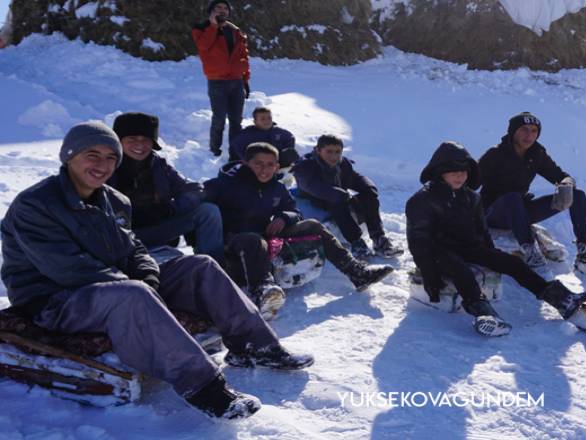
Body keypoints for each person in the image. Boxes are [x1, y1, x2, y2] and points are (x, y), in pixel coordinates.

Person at [0, 122, 314, 419]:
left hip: (107, 287)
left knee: (199, 266)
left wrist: (148, 275)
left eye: (111, 158)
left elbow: (133, 248)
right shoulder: (36, 205)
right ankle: (204, 387)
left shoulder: (114, 201)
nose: (102, 164)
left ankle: (255, 345)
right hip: (52, 301)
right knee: (132, 294)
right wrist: (138, 286)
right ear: (69, 157)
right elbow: (66, 268)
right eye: (91, 155)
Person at [406, 142, 586, 337]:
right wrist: (429, 276)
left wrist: (492, 257)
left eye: (463, 172)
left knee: (512, 262)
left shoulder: (472, 198)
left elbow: (482, 232)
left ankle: (562, 299)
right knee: (461, 271)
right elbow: (418, 243)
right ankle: (485, 315)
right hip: (436, 251)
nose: (459, 176)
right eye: (453, 171)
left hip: (466, 246)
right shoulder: (421, 200)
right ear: (439, 172)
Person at [205, 142, 393, 318]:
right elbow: (199, 205)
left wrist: (284, 217)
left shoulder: (276, 187)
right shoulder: (225, 184)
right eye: (258, 164)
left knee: (312, 225)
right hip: (234, 241)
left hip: (265, 233)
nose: (264, 169)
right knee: (253, 240)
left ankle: (356, 272)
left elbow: (293, 210)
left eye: (270, 164)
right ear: (246, 163)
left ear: (277, 166)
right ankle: (263, 290)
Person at [478, 112, 586, 279]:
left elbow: (561, 176)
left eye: (533, 130)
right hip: (493, 214)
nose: (529, 135)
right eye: (524, 129)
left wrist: (566, 185)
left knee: (577, 195)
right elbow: (469, 183)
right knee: (513, 198)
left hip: (520, 212)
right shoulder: (495, 154)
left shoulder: (536, 154)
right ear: (513, 131)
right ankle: (532, 255)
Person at [108, 112, 224, 263]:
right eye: (132, 139)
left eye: (146, 139)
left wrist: (170, 209)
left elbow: (194, 189)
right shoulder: (106, 165)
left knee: (208, 211)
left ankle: (214, 268)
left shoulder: (158, 165)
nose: (140, 145)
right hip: (120, 235)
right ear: (119, 141)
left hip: (157, 229)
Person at [293, 135, 403, 258]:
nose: (334, 156)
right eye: (329, 152)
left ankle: (378, 238)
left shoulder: (342, 164)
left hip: (340, 197)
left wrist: (368, 186)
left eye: (337, 152)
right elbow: (311, 185)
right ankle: (356, 242)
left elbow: (354, 178)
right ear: (318, 150)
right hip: (316, 201)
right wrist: (337, 193)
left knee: (369, 197)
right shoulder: (305, 166)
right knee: (337, 202)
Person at [191, 0, 250, 157]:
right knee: (219, 119)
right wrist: (213, 26)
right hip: (217, 81)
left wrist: (245, 79)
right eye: (218, 7)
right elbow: (203, 47)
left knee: (236, 120)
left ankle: (235, 152)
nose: (222, 10)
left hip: (236, 81)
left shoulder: (235, 30)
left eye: (225, 8)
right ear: (211, 10)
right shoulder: (201, 28)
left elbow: (243, 56)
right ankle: (214, 150)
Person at [229, 106, 300, 166]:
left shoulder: (278, 131)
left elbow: (290, 138)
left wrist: (285, 150)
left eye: (269, 118)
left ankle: (284, 175)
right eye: (262, 119)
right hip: (258, 165)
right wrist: (247, 160)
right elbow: (236, 145)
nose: (267, 121)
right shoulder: (248, 134)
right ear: (255, 122)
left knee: (291, 153)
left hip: (276, 162)